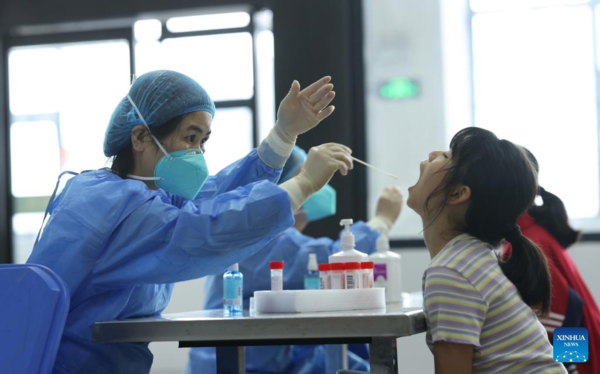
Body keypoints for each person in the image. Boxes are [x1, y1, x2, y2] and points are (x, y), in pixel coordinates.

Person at [26, 70, 354, 374]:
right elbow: (207, 228)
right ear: (140, 136)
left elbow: (214, 198)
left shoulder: (148, 196)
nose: (198, 153)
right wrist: (303, 183)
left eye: (203, 142)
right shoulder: (111, 205)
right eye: (190, 138)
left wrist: (283, 136)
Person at [184, 146, 404, 374]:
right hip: (239, 362)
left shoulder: (273, 238)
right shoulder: (260, 239)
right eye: (307, 175)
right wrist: (381, 221)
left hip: (265, 356)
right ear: (277, 189)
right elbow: (334, 260)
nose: (319, 185)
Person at [406, 127, 567, 373]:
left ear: (458, 193)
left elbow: (452, 372)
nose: (431, 154)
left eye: (447, 156)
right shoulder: (475, 257)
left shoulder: (453, 271)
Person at [503, 149, 600, 374]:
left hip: (583, 355)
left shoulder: (526, 241)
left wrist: (570, 366)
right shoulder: (528, 233)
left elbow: (569, 306)